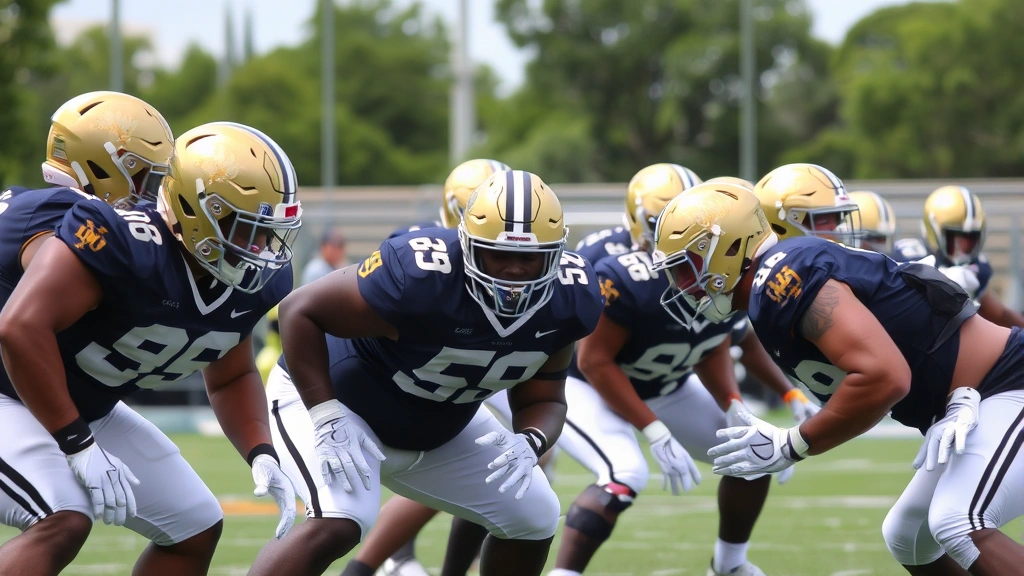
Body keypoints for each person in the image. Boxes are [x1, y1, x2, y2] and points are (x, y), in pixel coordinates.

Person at [653, 170, 1024, 575]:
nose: (684, 286)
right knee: (908, 536)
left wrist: (791, 444)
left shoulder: (780, 279)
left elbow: (885, 377)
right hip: (973, 394)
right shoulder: (769, 291)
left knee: (958, 523)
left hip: (1007, 382)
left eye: (686, 268)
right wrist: (952, 397)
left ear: (726, 246)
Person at [252, 170, 604, 576]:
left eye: (530, 257)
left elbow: (544, 396)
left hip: (442, 424)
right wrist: (325, 414)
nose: (513, 271)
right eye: (498, 254)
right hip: (339, 404)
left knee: (534, 514)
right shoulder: (422, 273)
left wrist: (530, 440)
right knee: (340, 520)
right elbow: (300, 310)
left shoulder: (571, 296)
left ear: (556, 255)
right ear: (468, 244)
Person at [0, 120, 303, 576]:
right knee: (62, 518)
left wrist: (261, 450)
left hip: (86, 405)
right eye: (245, 229)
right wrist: (77, 444)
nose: (260, 247)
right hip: (8, 392)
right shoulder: (124, 241)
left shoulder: (250, 283)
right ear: (198, 210)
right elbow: (20, 328)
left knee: (195, 525)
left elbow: (232, 374)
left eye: (267, 231)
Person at [549, 164, 815, 576]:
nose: (682, 239)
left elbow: (714, 342)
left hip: (666, 383)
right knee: (625, 472)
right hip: (588, 387)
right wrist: (654, 430)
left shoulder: (722, 268)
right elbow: (593, 361)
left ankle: (728, 566)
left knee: (752, 451)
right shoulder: (617, 271)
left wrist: (736, 403)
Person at [348, 157, 514, 576]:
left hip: (482, 372)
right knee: (465, 467)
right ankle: (382, 560)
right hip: (423, 381)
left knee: (511, 469)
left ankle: (403, 561)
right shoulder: (419, 249)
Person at [891, 186, 1024, 328]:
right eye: (957, 239)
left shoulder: (976, 266)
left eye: (971, 238)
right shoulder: (908, 257)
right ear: (933, 232)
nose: (965, 246)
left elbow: (998, 313)